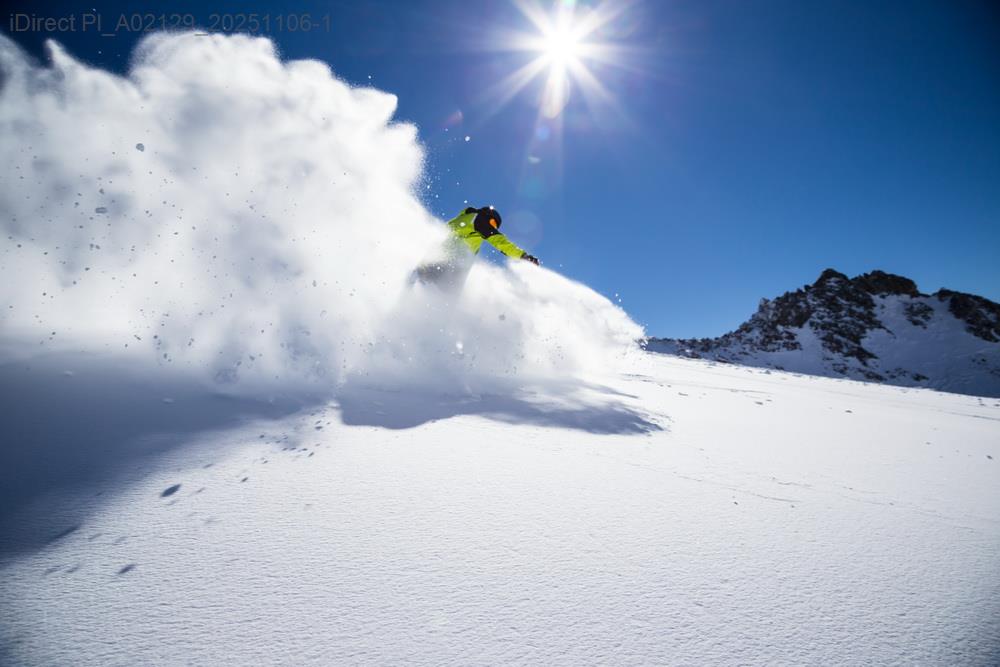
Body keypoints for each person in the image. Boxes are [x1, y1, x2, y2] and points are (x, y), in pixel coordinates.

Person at [412, 206, 539, 287]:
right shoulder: (478, 219)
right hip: (442, 262)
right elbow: (500, 241)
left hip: (446, 267)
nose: (492, 228)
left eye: (495, 227)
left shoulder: (472, 231)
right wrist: (522, 256)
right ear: (488, 216)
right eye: (493, 224)